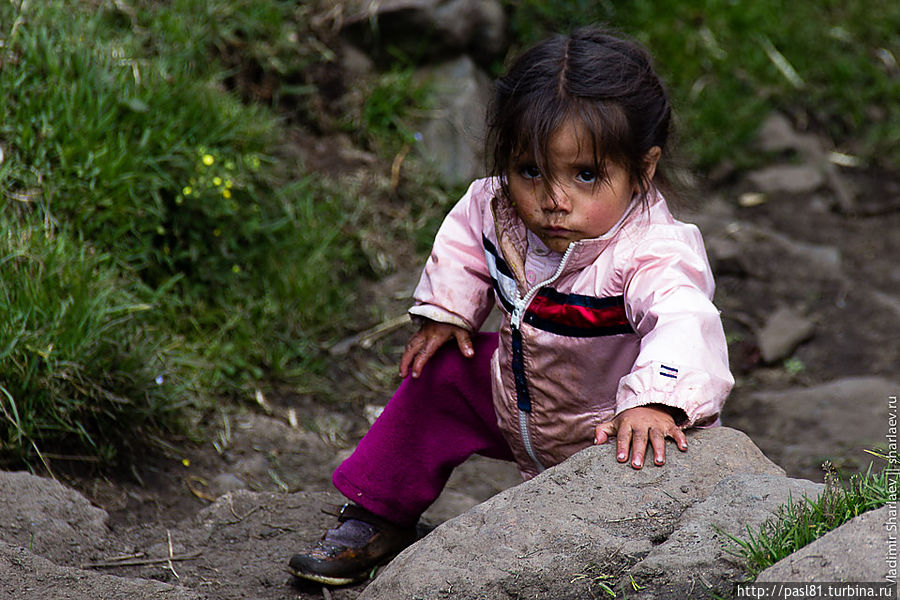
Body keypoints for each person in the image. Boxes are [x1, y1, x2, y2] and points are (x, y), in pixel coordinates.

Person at [288, 26, 733, 586]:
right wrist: (448, 311)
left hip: (610, 423)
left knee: (617, 531)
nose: (553, 200)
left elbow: (684, 320)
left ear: (642, 170)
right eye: (531, 171)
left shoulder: (655, 250)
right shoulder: (497, 207)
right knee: (442, 373)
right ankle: (378, 513)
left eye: (587, 175)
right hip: (517, 394)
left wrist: (657, 403)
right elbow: (466, 233)